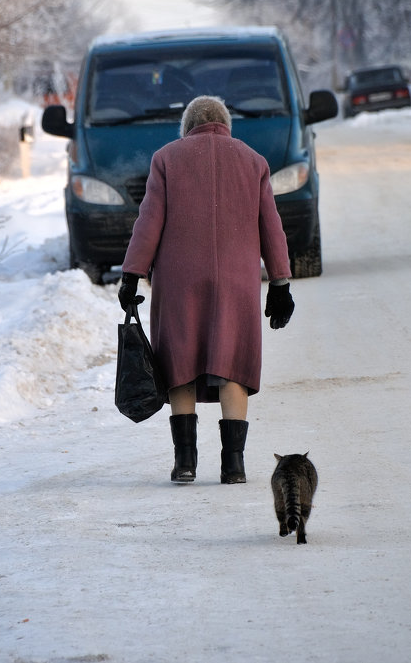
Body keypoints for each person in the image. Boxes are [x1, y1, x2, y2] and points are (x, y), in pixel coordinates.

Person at [118, 95, 294, 484]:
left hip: (180, 281)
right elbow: (272, 229)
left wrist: (131, 274)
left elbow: (149, 222)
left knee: (179, 365)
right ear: (226, 124)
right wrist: (280, 283)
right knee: (233, 365)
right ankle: (233, 466)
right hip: (236, 281)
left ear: (187, 126)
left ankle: (185, 463)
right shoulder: (254, 162)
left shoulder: (166, 159)